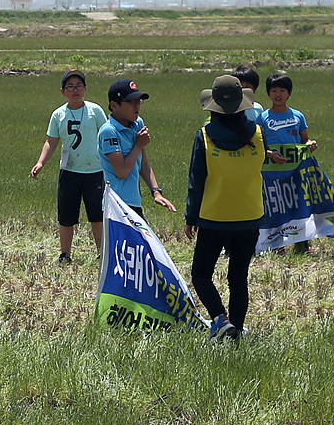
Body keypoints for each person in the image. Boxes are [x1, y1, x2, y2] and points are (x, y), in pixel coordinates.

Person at [183, 75, 266, 340]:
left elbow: (197, 181)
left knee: (200, 274)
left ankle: (220, 319)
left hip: (214, 216)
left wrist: (190, 217)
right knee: (238, 277)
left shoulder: (205, 136)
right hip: (250, 216)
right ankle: (237, 330)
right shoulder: (259, 134)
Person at [30, 70, 110, 263]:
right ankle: (65, 254)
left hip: (94, 171)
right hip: (70, 171)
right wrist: (41, 162)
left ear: (85, 89)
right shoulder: (59, 114)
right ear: (63, 91)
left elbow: (106, 134)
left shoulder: (95, 110)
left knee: (97, 215)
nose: (75, 90)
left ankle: (102, 253)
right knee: (66, 215)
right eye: (70, 87)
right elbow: (51, 141)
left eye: (79, 86)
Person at [258, 73, 315, 256]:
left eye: (282, 90)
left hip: (295, 171)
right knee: (275, 207)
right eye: (274, 90)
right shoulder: (263, 118)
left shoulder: (298, 116)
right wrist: (269, 154)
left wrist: (310, 145)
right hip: (271, 173)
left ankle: (302, 245)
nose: (278, 94)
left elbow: (304, 140)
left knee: (299, 206)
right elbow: (258, 146)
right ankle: (276, 245)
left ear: (289, 93)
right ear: (268, 93)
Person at [98, 79, 175, 214]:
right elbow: (122, 171)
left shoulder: (137, 123)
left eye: (139, 101)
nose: (137, 106)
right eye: (132, 102)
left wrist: (156, 192)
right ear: (114, 106)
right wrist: (138, 145)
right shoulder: (109, 131)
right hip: (116, 206)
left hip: (134, 202)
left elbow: (143, 164)